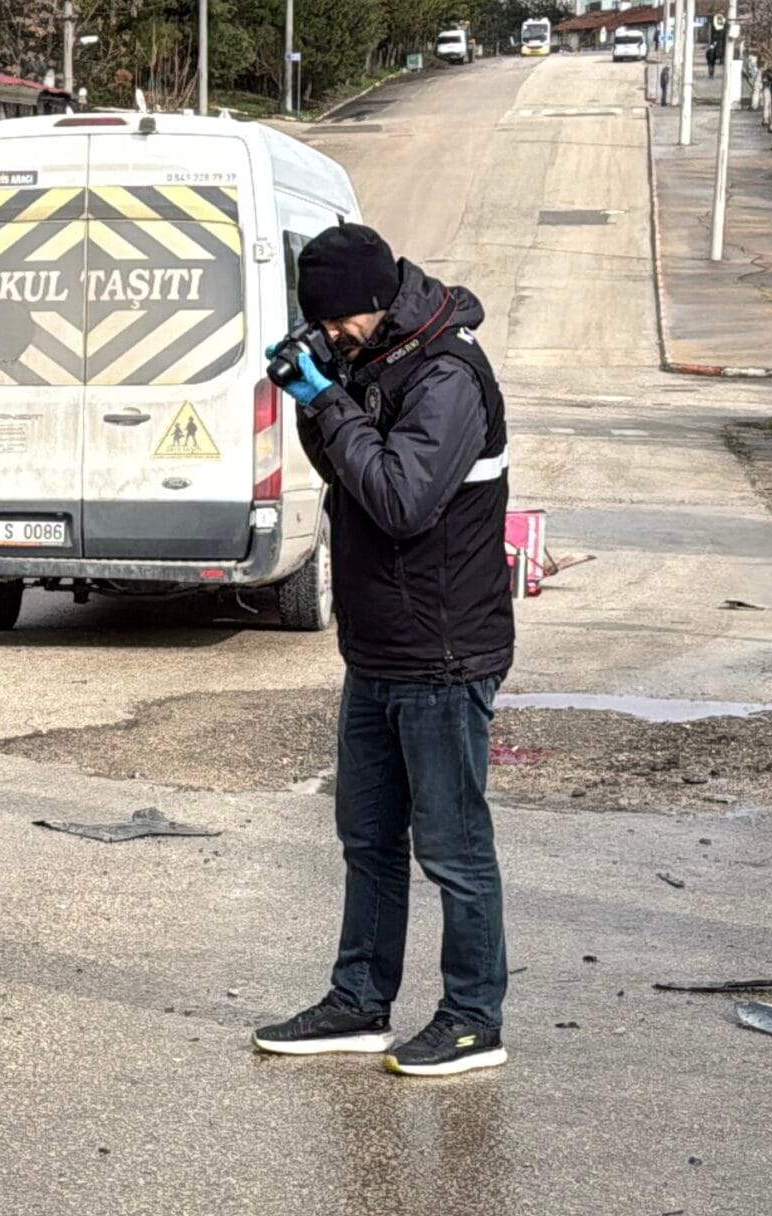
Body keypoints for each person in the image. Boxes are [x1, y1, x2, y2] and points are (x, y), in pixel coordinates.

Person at [252, 224, 515, 1079]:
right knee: (367, 839)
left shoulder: (447, 375)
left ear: (377, 299)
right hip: (377, 647)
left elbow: (401, 500)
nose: (332, 336)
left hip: (444, 649)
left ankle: (473, 1021)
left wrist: (330, 400)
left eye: (339, 323)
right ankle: (359, 1002)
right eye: (321, 326)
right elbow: (347, 474)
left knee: (452, 849)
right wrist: (313, 397)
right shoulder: (375, 356)